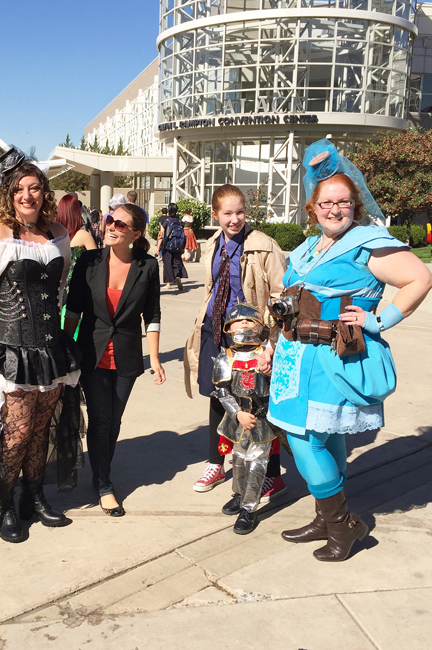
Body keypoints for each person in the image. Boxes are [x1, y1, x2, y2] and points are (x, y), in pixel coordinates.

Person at [265, 139, 432, 562]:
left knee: (303, 440)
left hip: (333, 358)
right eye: (326, 202)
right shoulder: (307, 247)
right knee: (324, 434)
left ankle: (344, 525)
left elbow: (419, 278)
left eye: (343, 201)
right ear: (313, 207)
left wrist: (380, 320)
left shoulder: (367, 241)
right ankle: (326, 518)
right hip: (295, 356)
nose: (334, 209)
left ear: (354, 204)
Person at [0, 148, 81, 544]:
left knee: (41, 429)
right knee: (16, 432)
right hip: (11, 350)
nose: (28, 195)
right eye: (20, 189)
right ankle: (6, 503)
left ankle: (36, 496)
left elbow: (58, 290)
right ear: (8, 194)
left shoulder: (58, 235)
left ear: (44, 192)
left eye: (35, 188)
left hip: (50, 350)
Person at [183, 184, 287, 501]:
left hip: (251, 337)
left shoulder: (263, 246)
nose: (235, 219)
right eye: (227, 213)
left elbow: (283, 294)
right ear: (215, 215)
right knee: (218, 395)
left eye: (240, 212)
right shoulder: (214, 244)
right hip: (216, 330)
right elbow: (212, 288)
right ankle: (217, 463)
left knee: (258, 401)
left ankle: (272, 475)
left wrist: (270, 339)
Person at [64, 204, 165, 516]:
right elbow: (74, 307)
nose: (110, 226)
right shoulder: (89, 261)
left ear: (135, 234)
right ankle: (104, 484)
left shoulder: (147, 266)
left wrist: (157, 358)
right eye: (109, 220)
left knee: (114, 420)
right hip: (92, 354)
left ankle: (99, 472)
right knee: (101, 419)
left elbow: (153, 314)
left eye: (120, 224)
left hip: (127, 355)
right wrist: (66, 346)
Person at [211, 304, 277, 534]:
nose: (245, 323)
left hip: (262, 417)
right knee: (238, 458)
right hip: (237, 417)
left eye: (250, 320)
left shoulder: (268, 354)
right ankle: (239, 495)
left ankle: (249, 508)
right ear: (229, 328)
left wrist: (272, 370)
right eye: (239, 321)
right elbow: (221, 390)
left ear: (260, 327)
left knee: (257, 462)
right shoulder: (225, 357)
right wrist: (236, 413)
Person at [158, 203, 188, 290]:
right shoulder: (180, 222)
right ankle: (178, 276)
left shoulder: (166, 222)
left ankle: (168, 283)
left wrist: (158, 247)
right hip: (178, 245)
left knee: (167, 262)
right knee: (177, 262)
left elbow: (161, 235)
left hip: (168, 245)